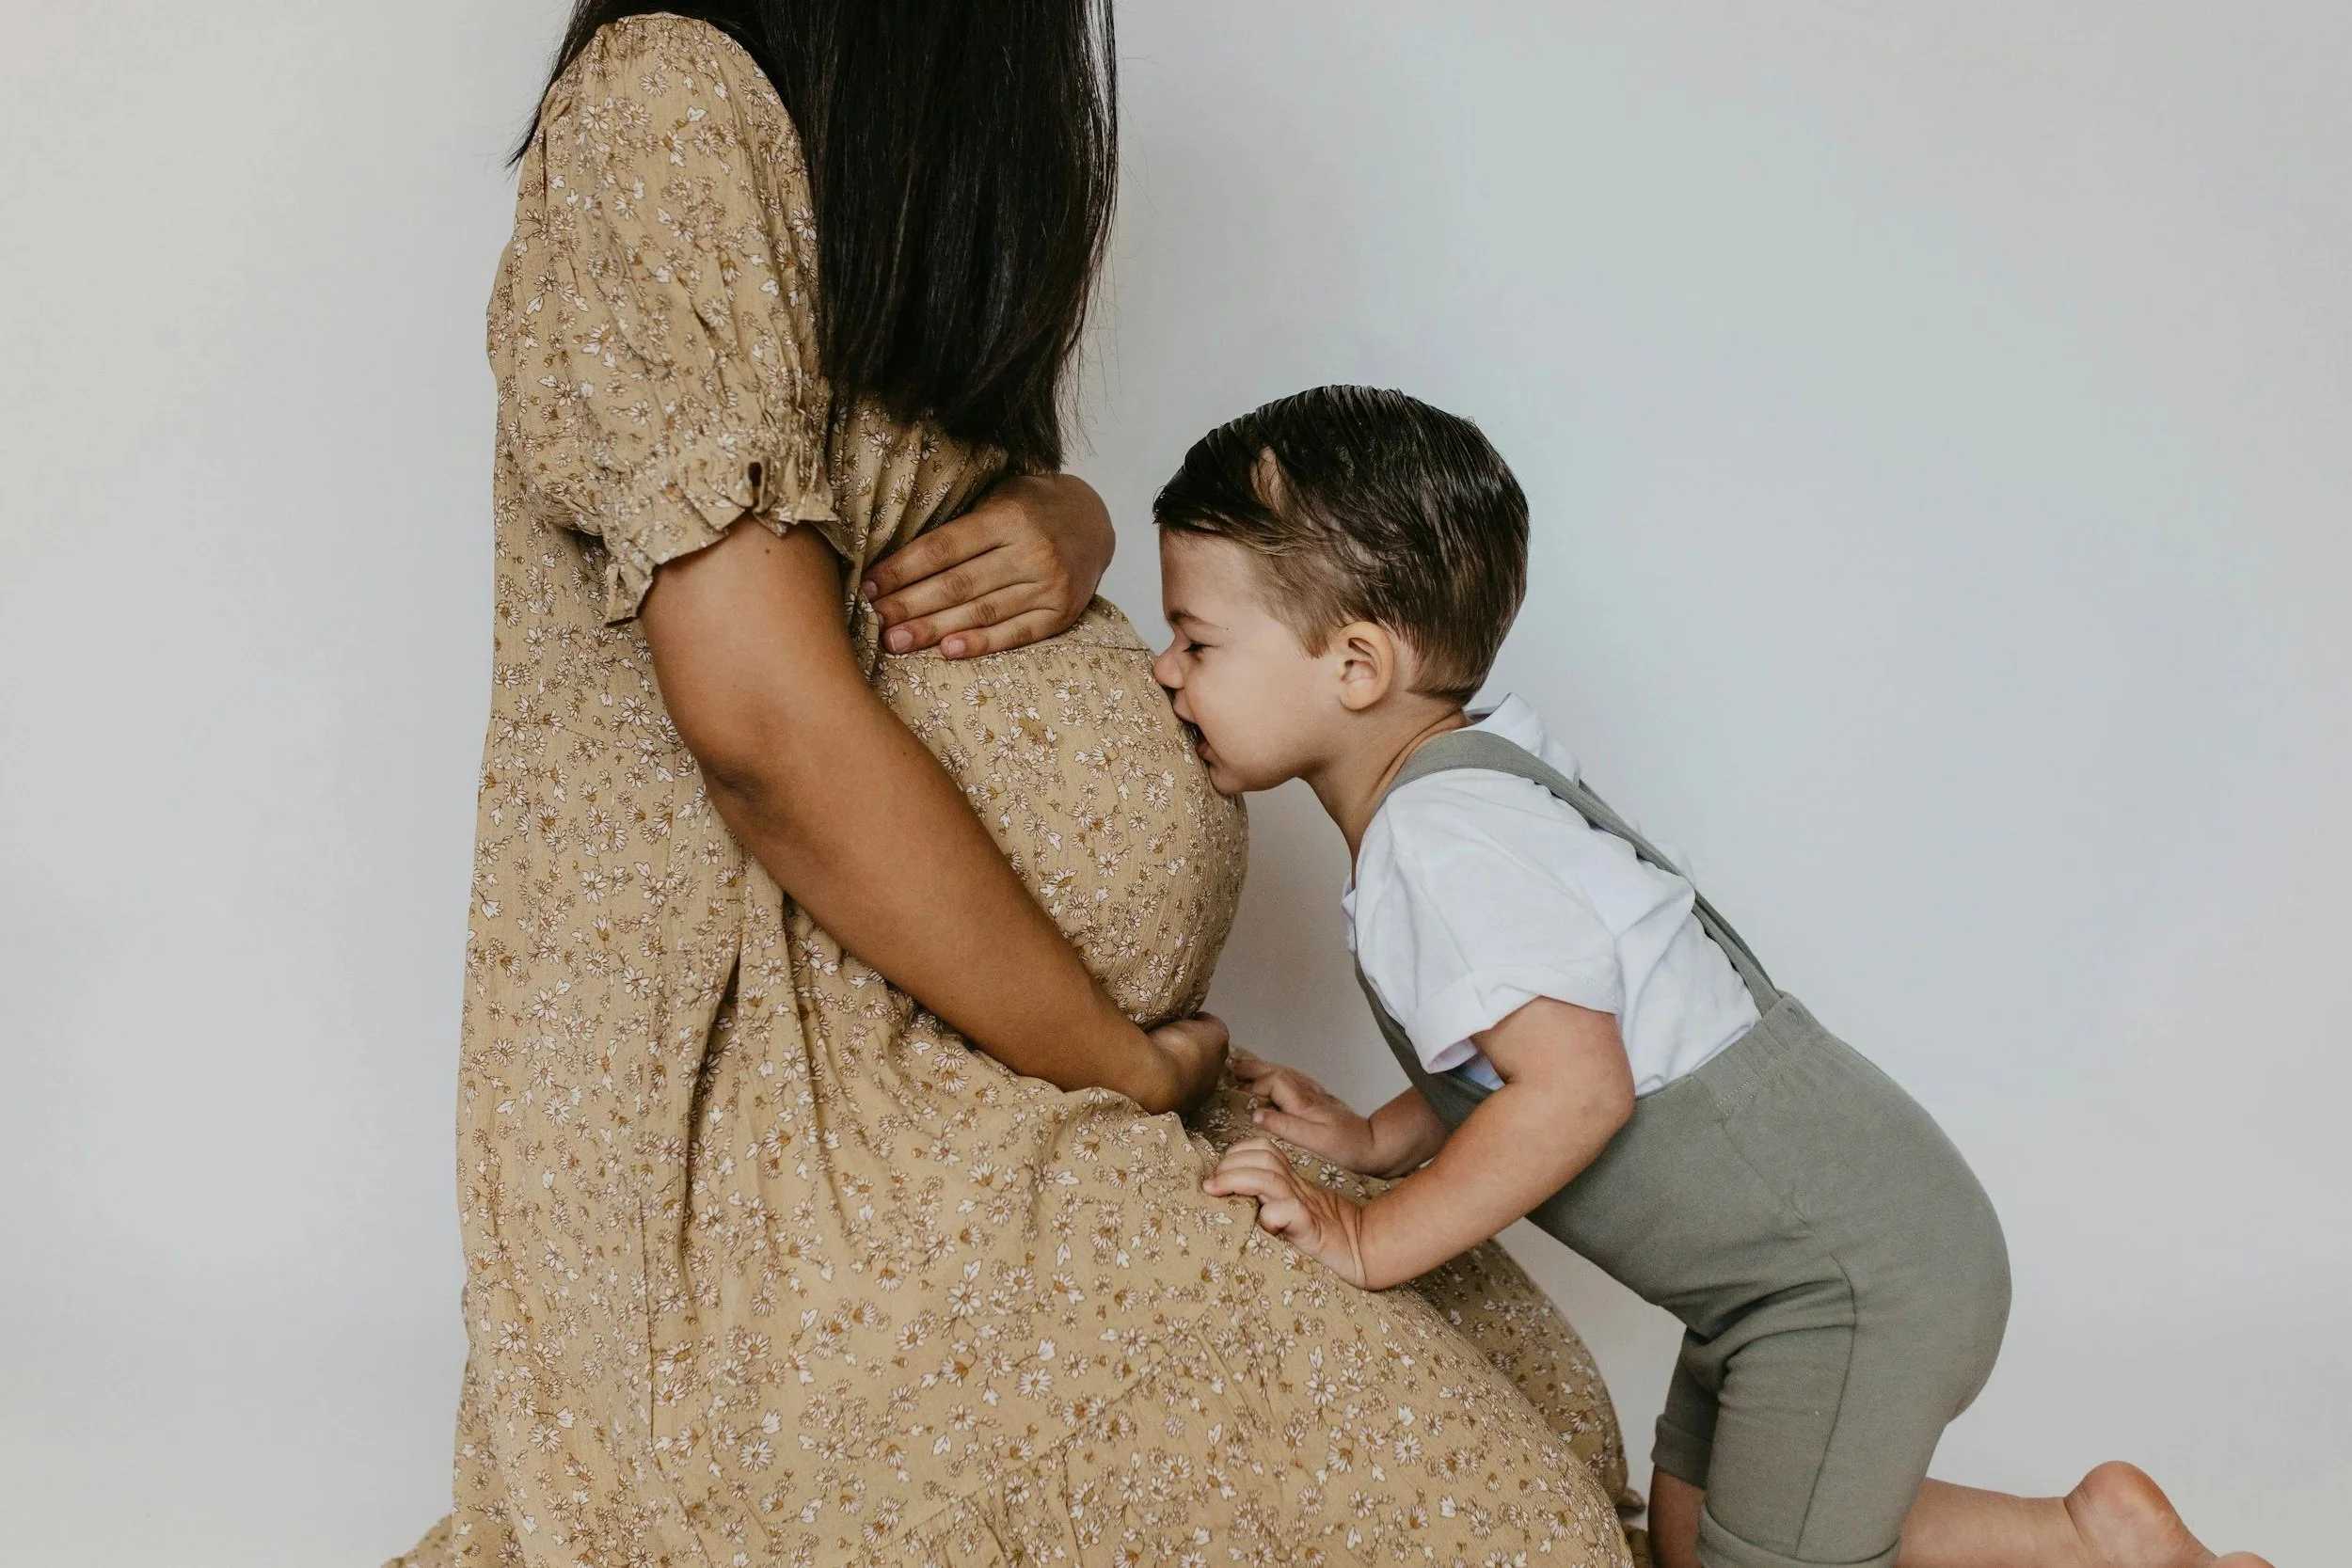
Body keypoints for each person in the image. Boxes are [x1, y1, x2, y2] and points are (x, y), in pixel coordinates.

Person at [395, 8, 1642, 1565]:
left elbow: (902, 504)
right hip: (819, 1139)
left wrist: (1068, 515)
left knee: (1566, 1440)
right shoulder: (667, 98)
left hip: (1008, 1068)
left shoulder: (869, 162)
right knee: (1515, 1538)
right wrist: (1115, 1063)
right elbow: (762, 727)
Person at [1153, 385, 2275, 1568]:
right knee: (1690, 1538)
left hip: (1840, 1280)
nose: (1168, 670)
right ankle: (2091, 1542)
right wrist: (1384, 1138)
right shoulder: (1482, 781)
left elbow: (1576, 1088)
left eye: (1197, 639)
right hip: (1807, 1254)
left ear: (1357, 662)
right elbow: (1527, 1030)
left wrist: (1368, 1237)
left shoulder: (1434, 847)